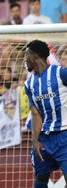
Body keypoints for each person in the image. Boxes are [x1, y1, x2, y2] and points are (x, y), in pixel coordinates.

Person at [24, 40, 67, 188]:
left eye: (27, 55)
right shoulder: (29, 84)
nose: (25, 59)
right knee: (41, 178)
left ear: (35, 56)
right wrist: (35, 140)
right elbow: (35, 114)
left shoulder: (60, 73)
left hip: (64, 136)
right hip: (44, 138)